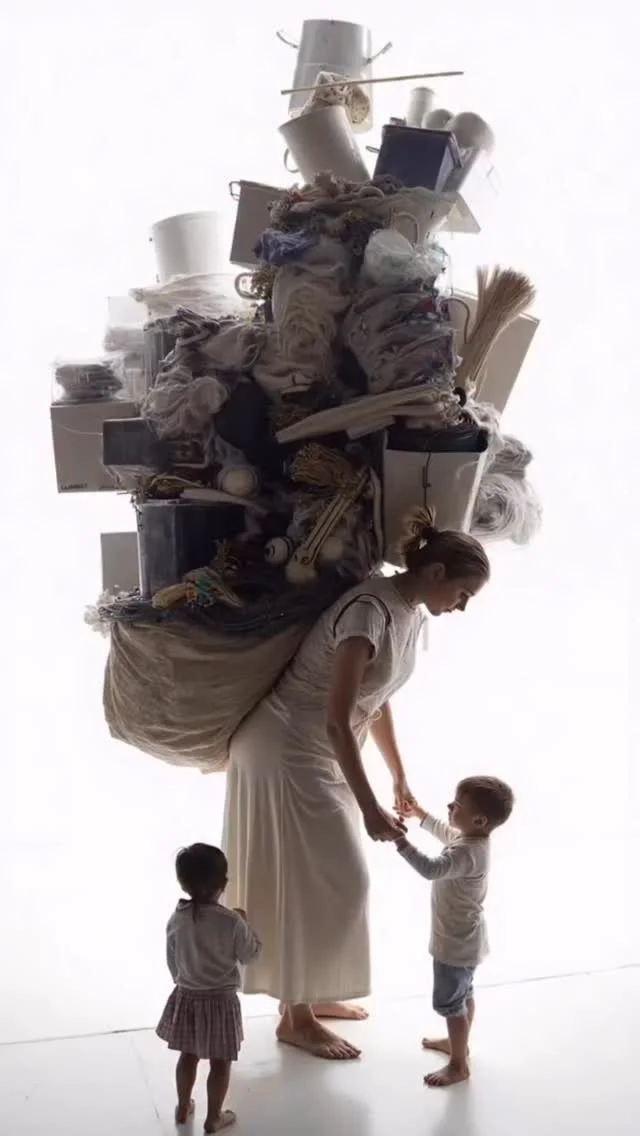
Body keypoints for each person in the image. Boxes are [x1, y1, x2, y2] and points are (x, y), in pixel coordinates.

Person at [223, 506, 491, 1060]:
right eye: (463, 593)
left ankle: (309, 993)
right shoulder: (369, 608)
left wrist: (398, 775)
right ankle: (294, 1018)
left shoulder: (409, 612)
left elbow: (378, 696)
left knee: (326, 881)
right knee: (321, 880)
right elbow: (336, 719)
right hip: (286, 749)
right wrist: (369, 807)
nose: (462, 607)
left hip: (322, 751)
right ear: (436, 573)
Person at [395, 776, 514, 1087]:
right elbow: (445, 832)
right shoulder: (471, 840)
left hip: (455, 945)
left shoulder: (466, 853)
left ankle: (459, 1064)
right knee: (464, 995)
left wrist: (399, 840)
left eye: (457, 805)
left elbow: (431, 869)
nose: (449, 806)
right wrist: (419, 814)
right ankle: (458, 1043)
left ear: (479, 820)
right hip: (468, 941)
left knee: (450, 1004)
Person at [156, 843, 261, 1132]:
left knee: (187, 1055)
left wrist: (183, 981)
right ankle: (213, 1117)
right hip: (222, 1003)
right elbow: (250, 956)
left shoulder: (177, 919)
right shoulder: (231, 922)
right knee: (221, 1062)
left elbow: (172, 960)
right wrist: (246, 924)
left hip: (187, 997)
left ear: (183, 883)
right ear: (223, 883)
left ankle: (182, 1105)